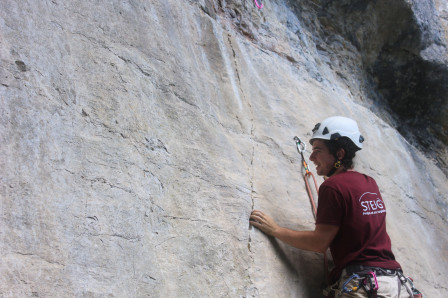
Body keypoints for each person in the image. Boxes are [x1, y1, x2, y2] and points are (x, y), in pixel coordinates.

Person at [250, 116, 419, 297]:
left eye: (318, 150)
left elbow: (319, 243)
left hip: (364, 285)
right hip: (396, 284)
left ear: (339, 154)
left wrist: (275, 230)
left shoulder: (333, 187)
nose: (312, 157)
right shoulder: (370, 182)